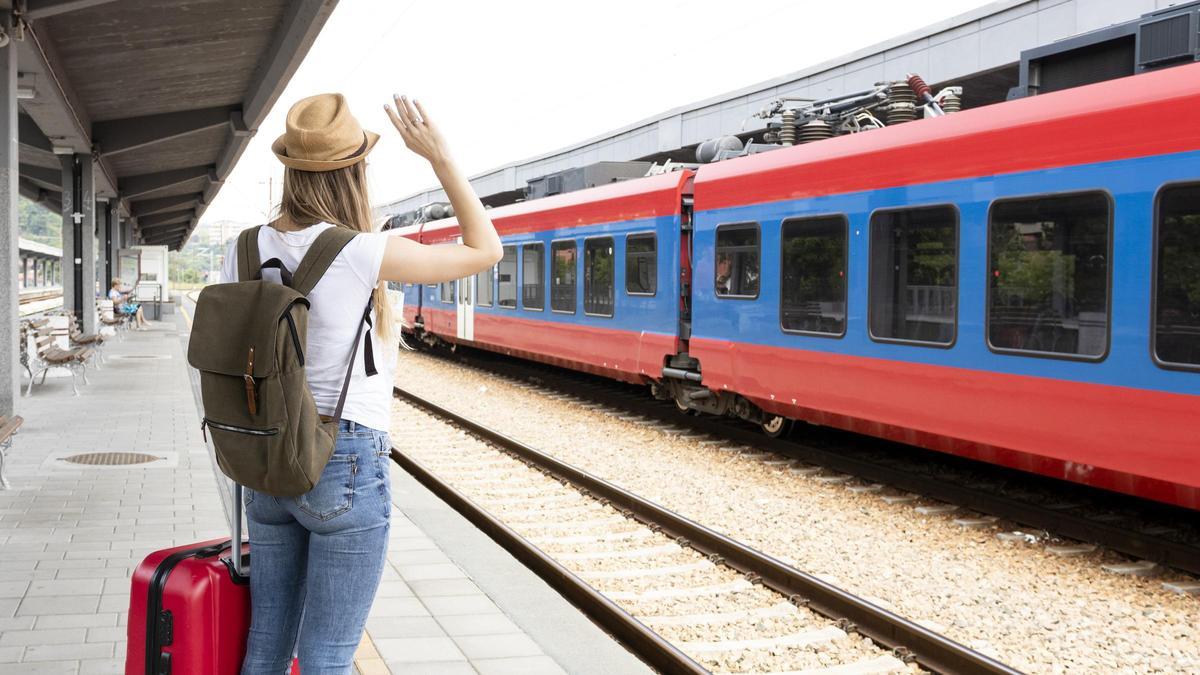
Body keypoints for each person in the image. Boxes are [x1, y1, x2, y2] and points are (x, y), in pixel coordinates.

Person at [222, 93, 501, 675]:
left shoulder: (243, 247)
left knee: (267, 644)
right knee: (328, 656)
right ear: (354, 173)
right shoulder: (359, 252)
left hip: (267, 457)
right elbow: (484, 250)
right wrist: (440, 157)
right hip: (341, 454)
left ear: (291, 171)